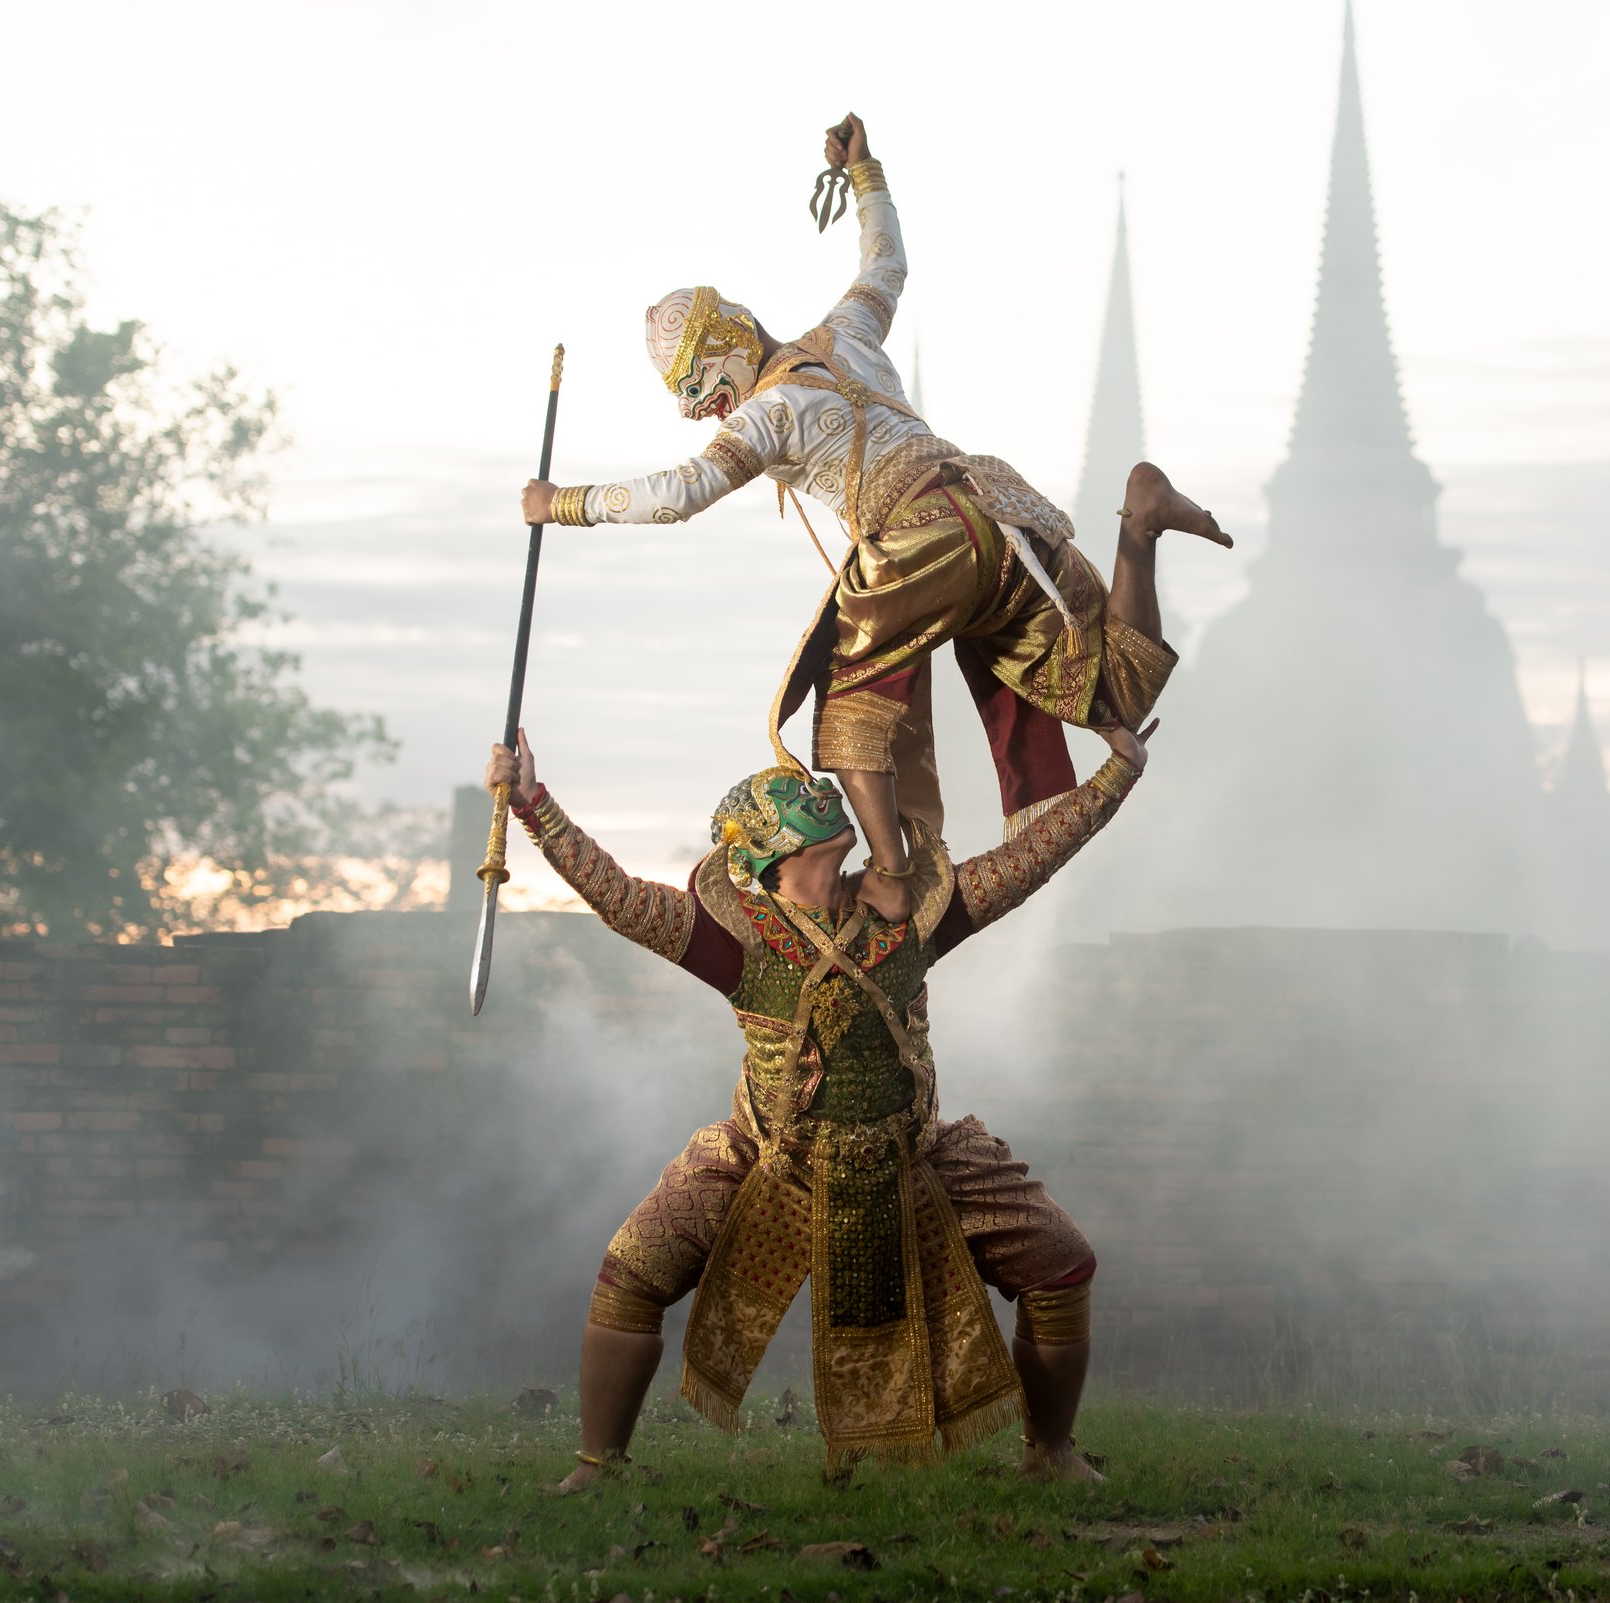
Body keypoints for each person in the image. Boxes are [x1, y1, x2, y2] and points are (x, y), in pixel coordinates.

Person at [517, 111, 1227, 926]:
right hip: (998, 509)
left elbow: (681, 493)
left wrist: (559, 503)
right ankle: (1139, 523)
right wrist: (866, 173)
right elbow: (887, 260)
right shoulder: (848, 331)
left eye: (705, 392)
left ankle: (891, 874)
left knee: (851, 707)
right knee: (1113, 688)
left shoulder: (770, 411)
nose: (711, 411)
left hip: (916, 538)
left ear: (729, 348)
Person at [484, 721, 1147, 1487]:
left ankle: (1050, 1454)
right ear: (767, 844)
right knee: (632, 1270)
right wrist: (533, 803)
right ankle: (597, 1466)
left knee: (1061, 1263)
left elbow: (1028, 860)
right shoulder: (736, 937)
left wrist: (1115, 776)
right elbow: (618, 896)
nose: (825, 790)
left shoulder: (909, 913)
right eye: (797, 795)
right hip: (773, 1158)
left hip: (913, 1153)